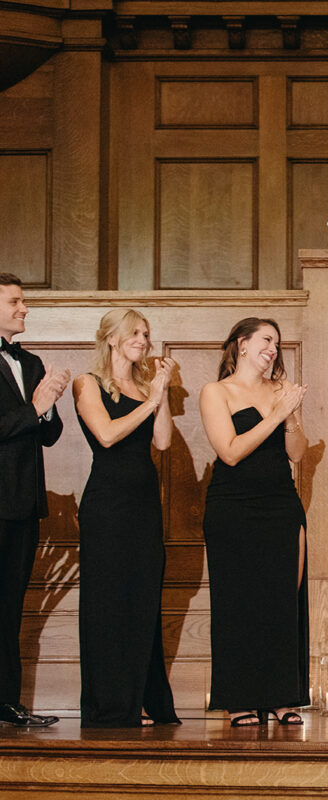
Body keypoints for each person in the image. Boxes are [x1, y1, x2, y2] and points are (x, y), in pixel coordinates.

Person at [73, 309, 180, 727]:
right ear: (112, 338)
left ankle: (139, 697)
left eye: (146, 334)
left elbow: (164, 440)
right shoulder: (89, 383)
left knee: (141, 600)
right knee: (108, 602)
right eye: (135, 332)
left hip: (143, 506)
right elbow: (106, 434)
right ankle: (111, 704)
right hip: (107, 506)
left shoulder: (144, 387)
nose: (143, 339)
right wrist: (150, 400)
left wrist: (161, 391)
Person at [199, 317, 309, 727]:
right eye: (266, 340)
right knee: (238, 602)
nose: (273, 349)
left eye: (277, 344)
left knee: (282, 599)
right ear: (242, 344)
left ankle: (283, 696)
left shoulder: (280, 391)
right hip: (233, 506)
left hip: (281, 503)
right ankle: (239, 698)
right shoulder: (216, 392)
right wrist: (274, 414)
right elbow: (229, 451)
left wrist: (291, 416)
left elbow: (297, 453)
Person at [0, 273, 68, 727]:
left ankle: (7, 701)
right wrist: (34, 407)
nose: (25, 308)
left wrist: (47, 407)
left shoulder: (33, 362)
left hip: (23, 504)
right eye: (15, 302)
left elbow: (50, 434)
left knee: (10, 606)